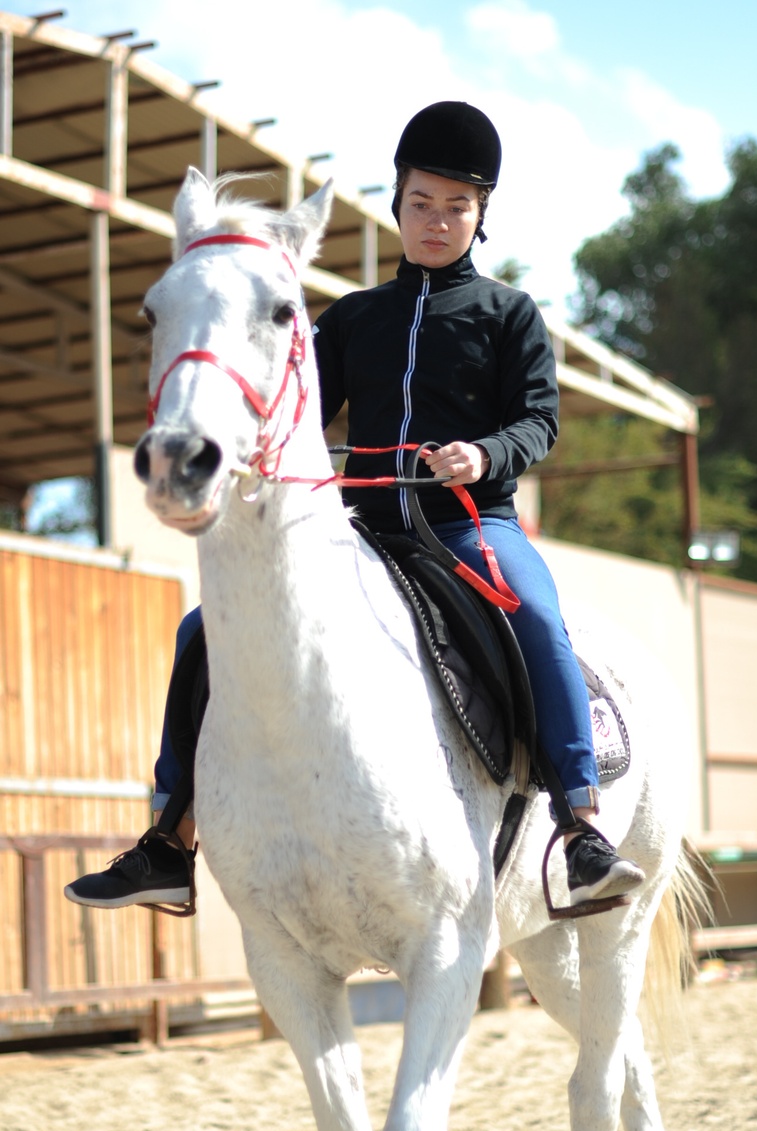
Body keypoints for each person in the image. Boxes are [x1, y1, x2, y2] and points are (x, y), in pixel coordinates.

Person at [65, 101, 644, 914]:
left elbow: (539, 422)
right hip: (361, 532)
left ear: (481, 217)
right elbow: (292, 409)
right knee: (202, 628)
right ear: (398, 202)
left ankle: (580, 826)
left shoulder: (509, 314)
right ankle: (171, 837)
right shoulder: (351, 319)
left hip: (468, 527)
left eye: (457, 208)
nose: (436, 223)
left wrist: (482, 456)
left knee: (540, 621)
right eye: (421, 204)